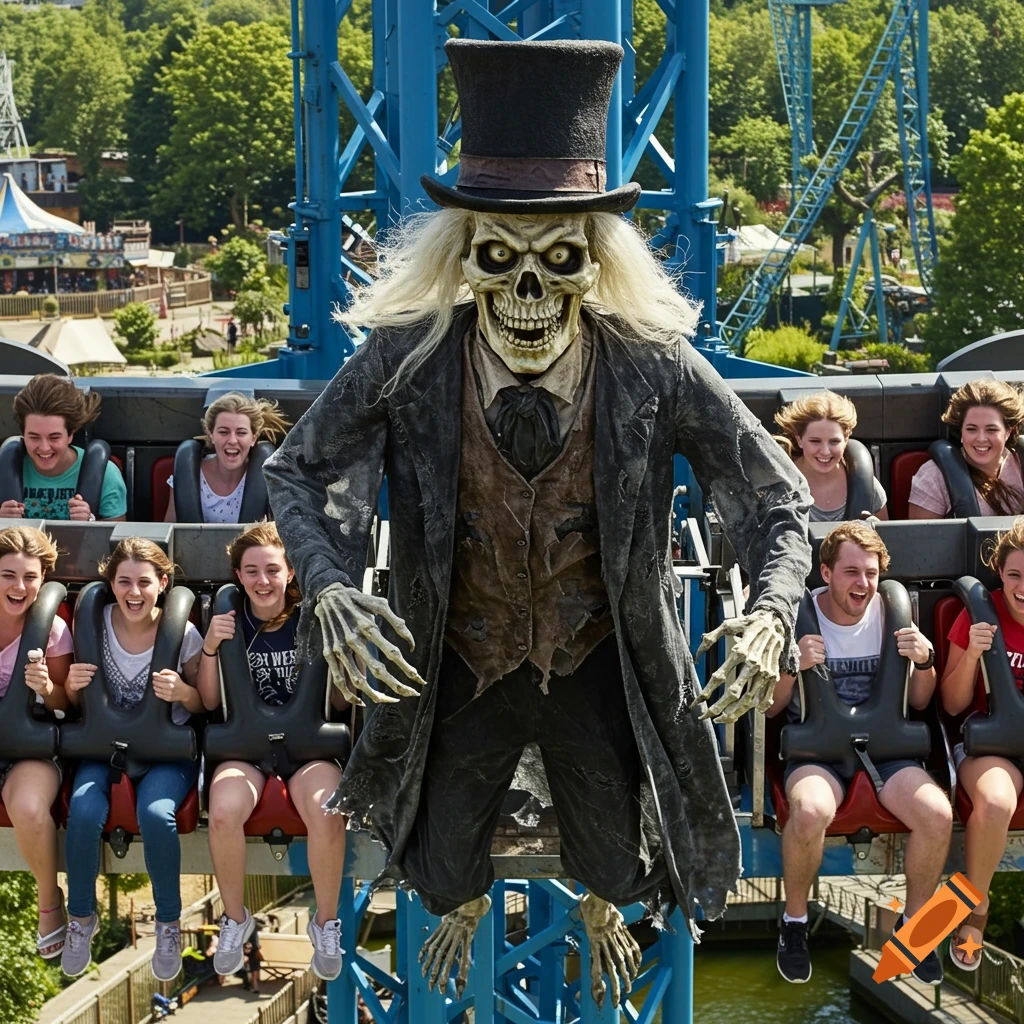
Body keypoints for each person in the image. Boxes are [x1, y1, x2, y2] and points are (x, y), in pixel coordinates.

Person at [767, 522, 951, 985]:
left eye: (871, 573)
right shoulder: (797, 616)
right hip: (817, 752)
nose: (863, 584)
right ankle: (793, 923)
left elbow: (923, 701)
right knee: (808, 813)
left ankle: (915, 928)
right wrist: (793, 664)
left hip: (886, 750)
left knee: (937, 814)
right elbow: (769, 707)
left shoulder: (894, 613)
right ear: (825, 572)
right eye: (851, 572)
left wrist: (926, 661)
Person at [198, 523, 347, 981]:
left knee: (327, 809)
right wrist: (209, 647)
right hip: (246, 749)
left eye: (271, 570)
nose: (262, 581)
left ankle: (325, 922)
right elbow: (207, 701)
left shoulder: (314, 619)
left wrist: (345, 660)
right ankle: (235, 917)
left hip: (307, 750)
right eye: (251, 572)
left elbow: (340, 703)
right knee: (222, 811)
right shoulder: (229, 621)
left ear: (289, 573)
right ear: (238, 577)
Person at [61, 538, 204, 981]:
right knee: (83, 811)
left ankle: (167, 922)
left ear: (162, 583)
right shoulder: (95, 624)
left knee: (156, 813)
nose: (134, 592)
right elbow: (69, 699)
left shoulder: (184, 632)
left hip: (163, 751)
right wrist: (69, 685)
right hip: (105, 748)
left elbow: (205, 703)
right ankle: (81, 917)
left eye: (144, 582)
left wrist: (183, 692)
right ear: (111, 583)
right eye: (124, 582)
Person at [940, 517, 1024, 969]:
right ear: (1000, 574)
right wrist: (973, 652)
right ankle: (976, 908)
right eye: (1015, 575)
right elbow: (952, 705)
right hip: (989, 742)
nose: (1023, 587)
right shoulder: (976, 615)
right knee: (994, 802)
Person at [0, 527, 72, 958]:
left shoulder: (53, 628)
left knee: (28, 808)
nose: (19, 587)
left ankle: (50, 903)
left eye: (29, 577)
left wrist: (46, 686)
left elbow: (67, 703)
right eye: (8, 575)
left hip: (31, 744)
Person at [1, 375, 127, 522]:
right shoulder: (3, 469)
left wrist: (90, 521)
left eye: (54, 437)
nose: (44, 447)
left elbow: (117, 537)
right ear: (23, 434)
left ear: (70, 435)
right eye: (34, 437)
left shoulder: (107, 475)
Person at [164, 394, 290, 524]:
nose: (232, 441)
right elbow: (169, 530)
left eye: (241, 433)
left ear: (253, 438)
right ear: (211, 435)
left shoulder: (271, 481)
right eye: (223, 432)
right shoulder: (186, 477)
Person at [909, 380, 1024, 519]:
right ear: (961, 431)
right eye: (971, 429)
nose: (981, 438)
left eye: (991, 429)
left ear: (1008, 432)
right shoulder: (934, 477)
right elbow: (923, 538)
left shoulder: (1019, 464)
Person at [774, 390, 888, 522]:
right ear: (799, 440)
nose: (825, 451)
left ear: (846, 439)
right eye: (815, 441)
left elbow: (884, 539)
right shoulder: (779, 485)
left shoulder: (867, 486)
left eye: (834, 441)